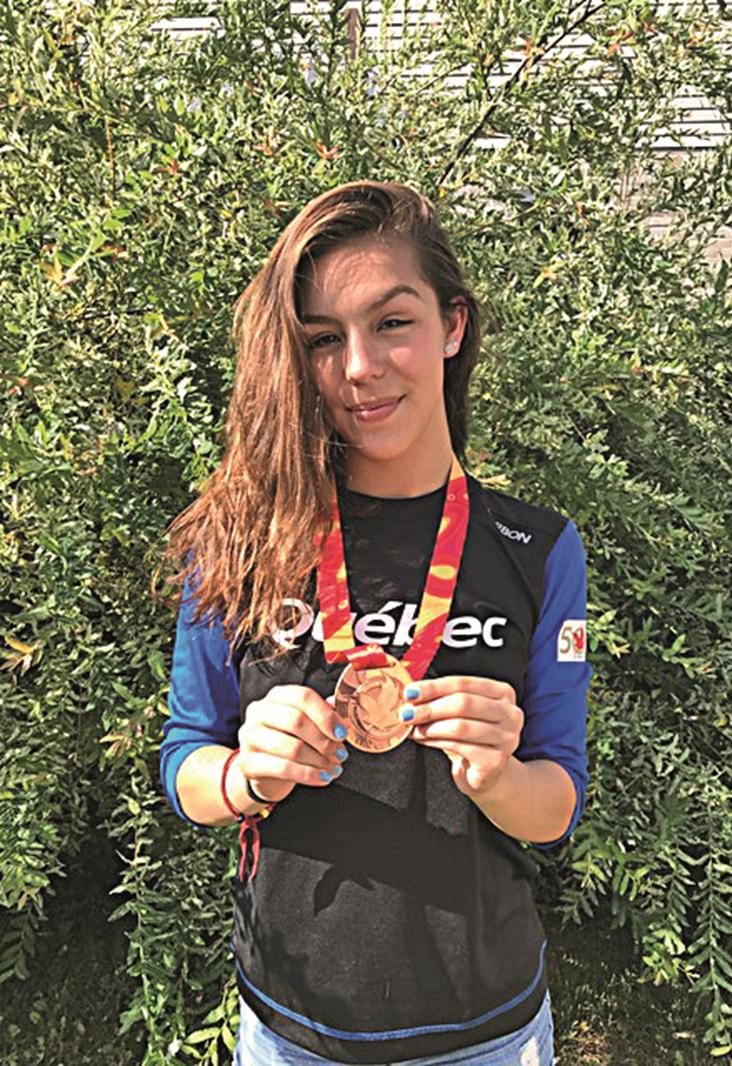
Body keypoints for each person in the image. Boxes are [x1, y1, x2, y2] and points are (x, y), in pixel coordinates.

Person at [158, 180, 592, 1066]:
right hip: (290, 1028)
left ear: (453, 326)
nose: (359, 366)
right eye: (323, 338)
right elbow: (184, 758)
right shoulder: (238, 539)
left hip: (485, 1030)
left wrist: (500, 777)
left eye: (393, 322)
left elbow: (557, 802)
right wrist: (246, 774)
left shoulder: (539, 549)